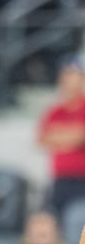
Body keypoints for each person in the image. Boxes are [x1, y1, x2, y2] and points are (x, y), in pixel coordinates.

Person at [38, 59, 85, 217]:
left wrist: (58, 137)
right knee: (54, 219)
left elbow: (80, 136)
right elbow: (42, 139)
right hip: (60, 178)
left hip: (82, 179)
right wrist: (72, 137)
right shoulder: (55, 111)